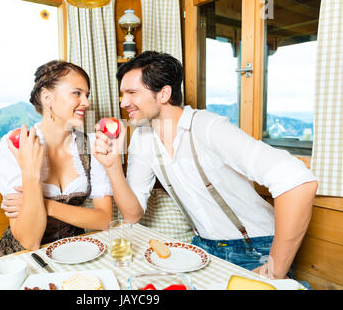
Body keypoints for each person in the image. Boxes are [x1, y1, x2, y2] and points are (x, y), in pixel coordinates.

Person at [93, 51, 318, 281]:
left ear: (163, 94)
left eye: (132, 93)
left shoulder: (208, 127)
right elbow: (131, 215)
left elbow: (299, 182)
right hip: (201, 248)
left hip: (255, 248)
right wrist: (112, 167)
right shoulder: (142, 138)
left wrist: (274, 271)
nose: (123, 103)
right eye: (123, 94)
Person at [0, 60, 113, 256]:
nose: (87, 102)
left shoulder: (90, 145)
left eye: (87, 95)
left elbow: (104, 219)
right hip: (25, 259)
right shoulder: (17, 144)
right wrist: (31, 173)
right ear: (48, 98)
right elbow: (29, 240)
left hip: (76, 253)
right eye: (77, 93)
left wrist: (45, 204)